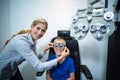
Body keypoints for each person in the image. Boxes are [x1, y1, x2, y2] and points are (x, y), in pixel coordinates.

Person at [0, 18, 70, 80]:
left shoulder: (33, 41)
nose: (39, 33)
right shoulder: (21, 42)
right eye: (38, 28)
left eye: (43, 30)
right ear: (31, 27)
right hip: (2, 71)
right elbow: (39, 66)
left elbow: (35, 58)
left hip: (13, 70)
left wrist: (45, 49)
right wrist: (61, 57)